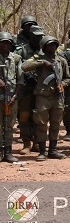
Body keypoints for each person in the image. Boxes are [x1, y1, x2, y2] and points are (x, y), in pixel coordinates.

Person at [22, 36, 69, 161]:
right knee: (41, 124)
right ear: (44, 47)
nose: (52, 47)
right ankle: (42, 151)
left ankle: (53, 150)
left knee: (55, 124)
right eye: (49, 45)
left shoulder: (61, 61)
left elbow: (68, 78)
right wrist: (42, 62)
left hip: (57, 96)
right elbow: (24, 66)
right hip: (42, 96)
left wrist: (62, 85)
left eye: (54, 45)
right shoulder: (39, 58)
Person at [16, 24, 44, 155]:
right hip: (26, 88)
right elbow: (16, 66)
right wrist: (24, 74)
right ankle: (26, 143)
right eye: (36, 37)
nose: (38, 40)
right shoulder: (21, 50)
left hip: (41, 89)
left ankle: (37, 143)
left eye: (40, 37)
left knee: (39, 116)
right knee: (24, 116)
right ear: (30, 36)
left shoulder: (44, 51)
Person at [0, 32, 23, 163]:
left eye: (7, 43)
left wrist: (15, 95)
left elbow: (20, 80)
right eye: (2, 42)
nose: (5, 45)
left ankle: (8, 152)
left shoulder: (16, 58)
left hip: (11, 98)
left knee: (9, 125)